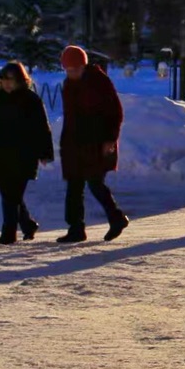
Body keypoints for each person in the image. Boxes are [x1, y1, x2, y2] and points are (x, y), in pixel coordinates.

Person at [0, 61, 55, 244]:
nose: (7, 83)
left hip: (23, 155)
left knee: (12, 195)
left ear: (21, 80)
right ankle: (27, 224)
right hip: (1, 154)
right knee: (10, 195)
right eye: (4, 79)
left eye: (11, 80)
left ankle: (8, 234)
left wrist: (45, 153)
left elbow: (42, 128)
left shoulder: (31, 100)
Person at [57, 45, 129, 242]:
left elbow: (115, 113)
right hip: (74, 143)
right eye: (68, 70)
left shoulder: (99, 81)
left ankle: (116, 217)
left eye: (75, 69)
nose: (71, 73)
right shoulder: (68, 85)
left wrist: (110, 139)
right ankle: (76, 228)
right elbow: (70, 117)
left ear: (83, 65)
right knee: (74, 186)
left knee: (95, 183)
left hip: (97, 142)